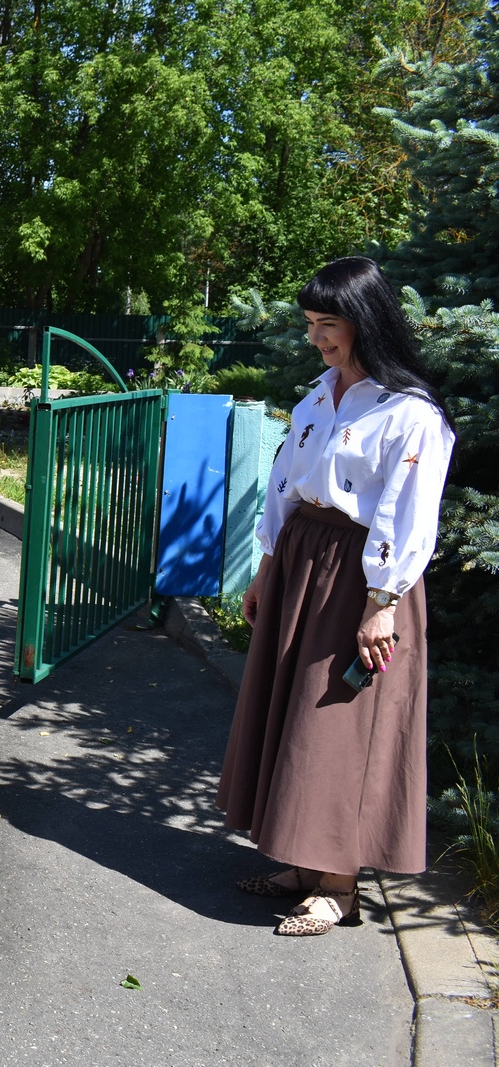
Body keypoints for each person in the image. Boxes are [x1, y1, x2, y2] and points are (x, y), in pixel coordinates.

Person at [218, 257, 455, 935]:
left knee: (338, 722)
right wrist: (266, 568)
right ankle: (301, 862)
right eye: (311, 325)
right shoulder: (318, 397)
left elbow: (407, 512)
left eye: (329, 324)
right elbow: (285, 484)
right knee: (294, 713)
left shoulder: (408, 414)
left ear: (365, 320)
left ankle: (339, 886)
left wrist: (382, 600)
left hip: (362, 577)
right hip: (301, 565)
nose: (317, 338)